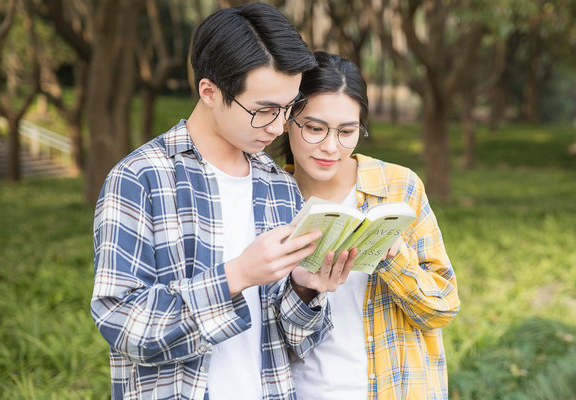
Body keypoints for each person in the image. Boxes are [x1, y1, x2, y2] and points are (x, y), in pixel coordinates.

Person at [91, 5, 356, 400]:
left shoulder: (278, 186)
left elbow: (295, 343)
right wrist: (237, 275)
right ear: (209, 91)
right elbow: (123, 325)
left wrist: (305, 290)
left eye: (288, 109)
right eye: (264, 110)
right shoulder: (141, 178)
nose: (279, 126)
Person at [277, 51, 460, 399]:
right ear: (288, 120)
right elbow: (264, 333)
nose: (331, 147)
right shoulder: (267, 195)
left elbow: (442, 308)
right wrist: (305, 291)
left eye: (347, 131)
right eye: (315, 128)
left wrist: (393, 258)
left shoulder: (398, 187)